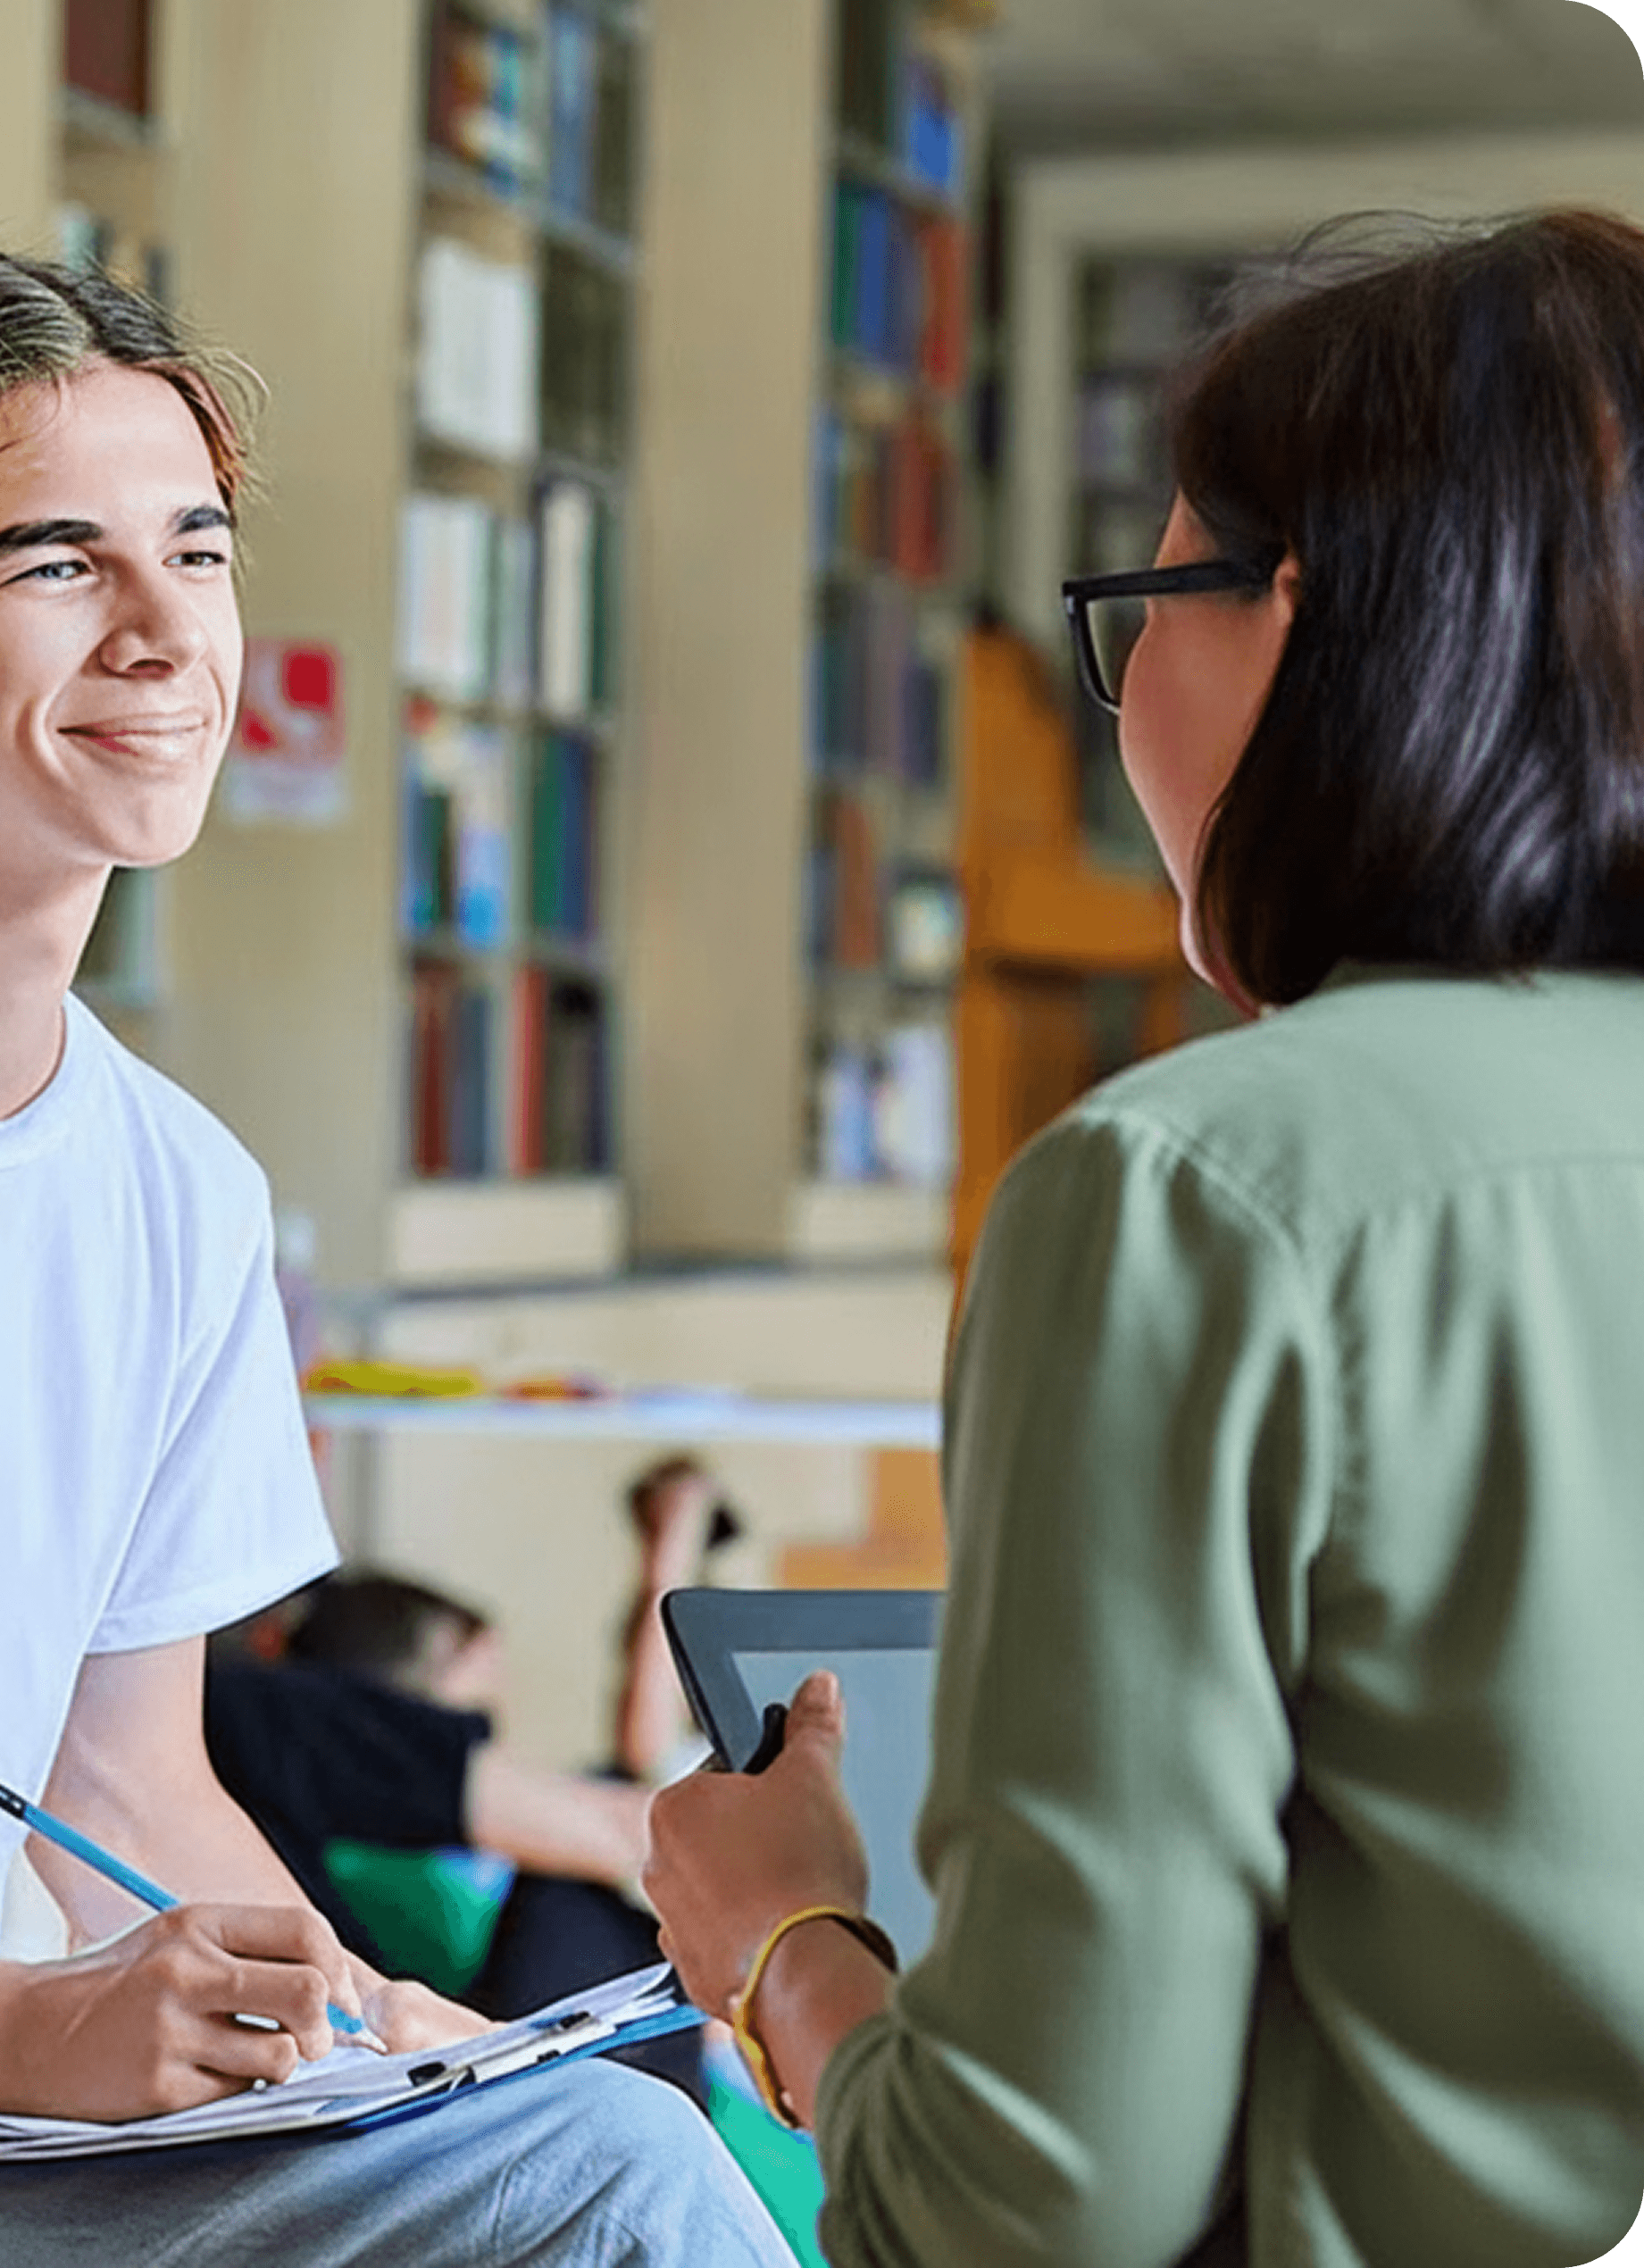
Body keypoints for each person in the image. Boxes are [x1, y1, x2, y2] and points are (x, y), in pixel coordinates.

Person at [0, 249, 793, 2267]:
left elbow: (129, 1780)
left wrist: (382, 2028)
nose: (164, 635)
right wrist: (12, 2022)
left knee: (605, 2150)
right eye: (54, 565)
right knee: (601, 2202)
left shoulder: (173, 1190)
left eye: (191, 553)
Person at [646, 208, 1644, 2268]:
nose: (1125, 702)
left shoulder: (1198, 1188)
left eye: (1147, 604)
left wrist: (787, 1945)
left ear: (1309, 616)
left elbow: (1033, 2213)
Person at [203, 1461, 734, 2089]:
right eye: (476, 1719)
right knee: (590, 1874)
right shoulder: (296, 1729)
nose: (494, 1739)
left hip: (416, 2059)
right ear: (402, 1714)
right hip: (455, 2073)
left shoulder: (243, 1749)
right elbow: (628, 1820)